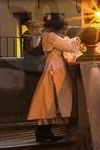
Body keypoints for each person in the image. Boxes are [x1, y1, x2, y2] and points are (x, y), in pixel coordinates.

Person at [26, 14, 82, 142]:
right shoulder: (51, 36)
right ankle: (43, 132)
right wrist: (76, 39)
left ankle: (45, 132)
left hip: (55, 67)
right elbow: (71, 48)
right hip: (55, 68)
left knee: (50, 100)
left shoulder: (49, 35)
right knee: (49, 100)